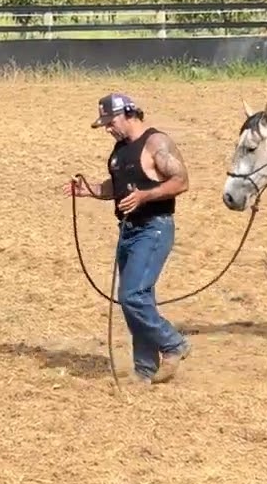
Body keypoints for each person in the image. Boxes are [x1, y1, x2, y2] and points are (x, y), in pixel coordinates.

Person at [63, 92, 192, 385]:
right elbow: (117, 185)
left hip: (154, 228)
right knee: (139, 298)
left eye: (111, 122)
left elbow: (181, 181)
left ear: (129, 114)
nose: (108, 128)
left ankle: (173, 343)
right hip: (128, 231)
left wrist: (145, 196)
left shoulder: (156, 143)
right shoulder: (120, 150)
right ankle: (145, 370)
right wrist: (89, 190)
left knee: (131, 295)